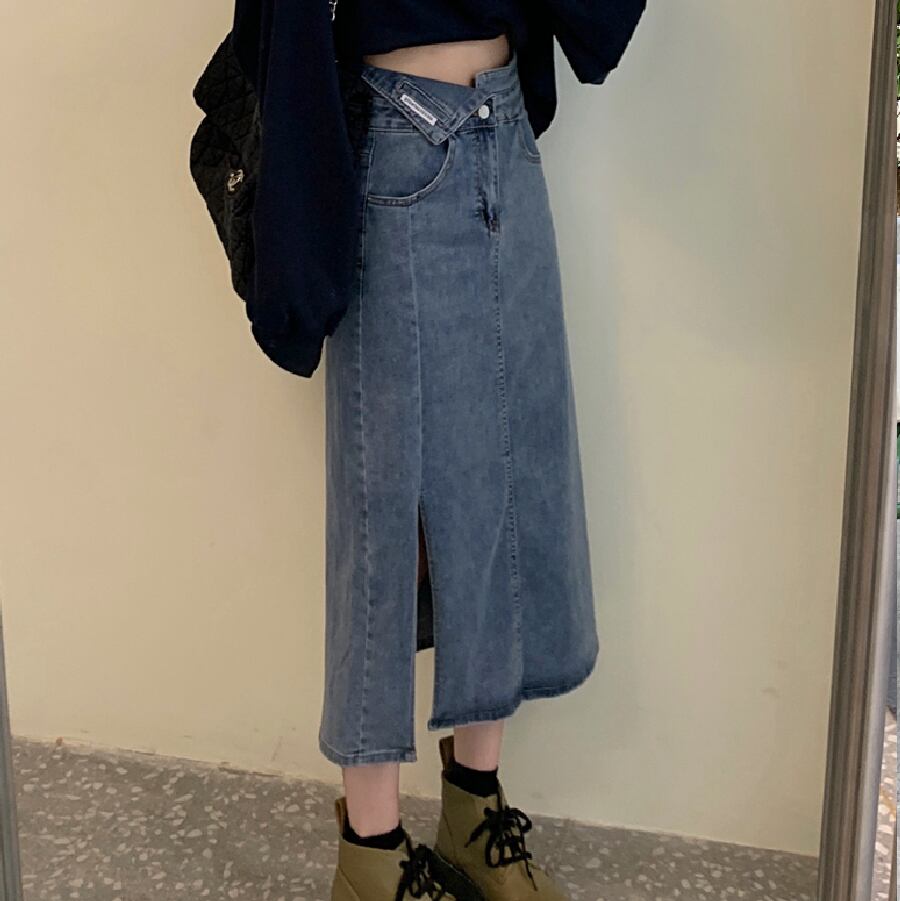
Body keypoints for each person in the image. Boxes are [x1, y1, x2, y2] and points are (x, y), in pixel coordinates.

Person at [208, 3, 647, 897]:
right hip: (396, 137)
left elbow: (597, 30)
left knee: (509, 480)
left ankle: (473, 810)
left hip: (504, 132)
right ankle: (371, 849)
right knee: (387, 507)